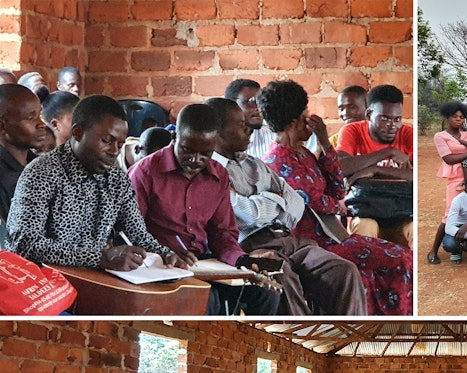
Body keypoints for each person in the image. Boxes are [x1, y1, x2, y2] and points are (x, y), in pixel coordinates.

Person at [260, 80, 413, 316]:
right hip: (315, 243)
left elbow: (339, 186)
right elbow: (314, 201)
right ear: (294, 122)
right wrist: (340, 207)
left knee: (401, 259)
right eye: (306, 114)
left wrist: (324, 142)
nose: (311, 119)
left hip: (335, 236)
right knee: (400, 261)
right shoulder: (279, 160)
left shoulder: (304, 153)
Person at [206, 97, 367, 316]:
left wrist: (267, 201)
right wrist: (277, 199)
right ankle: (303, 341)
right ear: (218, 132)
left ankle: (345, 335)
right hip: (251, 247)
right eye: (240, 124)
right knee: (282, 276)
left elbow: (297, 203)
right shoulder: (211, 172)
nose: (249, 129)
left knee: (344, 271)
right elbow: (247, 215)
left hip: (289, 239)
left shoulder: (254, 164)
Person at [129, 102, 280, 316]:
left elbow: (223, 234)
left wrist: (242, 260)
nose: (196, 160)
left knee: (266, 293)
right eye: (188, 151)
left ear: (215, 145)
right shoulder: (145, 173)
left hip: (204, 264)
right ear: (174, 138)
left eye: (205, 153)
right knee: (208, 299)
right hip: (160, 265)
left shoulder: (219, 175)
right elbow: (131, 232)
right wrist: (165, 252)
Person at [7, 95, 184, 272]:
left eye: (120, 144)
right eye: (106, 141)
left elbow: (137, 234)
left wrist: (166, 254)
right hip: (47, 285)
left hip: (94, 281)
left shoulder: (116, 179)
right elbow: (25, 245)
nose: (114, 152)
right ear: (77, 133)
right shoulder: (42, 174)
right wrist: (99, 257)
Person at [336, 84, 413, 248]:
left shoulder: (407, 134)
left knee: (414, 230)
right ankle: (364, 273)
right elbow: (340, 167)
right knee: (365, 227)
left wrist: (374, 170)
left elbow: (416, 177)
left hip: (402, 211)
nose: (392, 126)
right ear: (369, 114)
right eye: (384, 119)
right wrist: (388, 152)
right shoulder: (352, 131)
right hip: (365, 209)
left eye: (397, 119)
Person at [428, 101, 467, 264]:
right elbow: (448, 159)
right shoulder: (440, 136)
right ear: (447, 117)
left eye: (461, 117)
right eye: (454, 117)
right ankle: (433, 250)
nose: (458, 120)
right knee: (450, 213)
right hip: (455, 178)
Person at [0, 84, 46, 243]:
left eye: (40, 115)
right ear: (2, 125)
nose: (41, 124)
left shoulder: (42, 167)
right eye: (30, 117)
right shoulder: (4, 176)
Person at [224, 79, 274, 160]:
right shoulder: (220, 145)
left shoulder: (272, 139)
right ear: (232, 105)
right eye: (251, 101)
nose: (258, 107)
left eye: (261, 101)